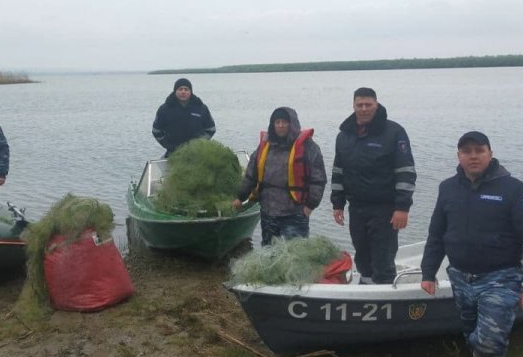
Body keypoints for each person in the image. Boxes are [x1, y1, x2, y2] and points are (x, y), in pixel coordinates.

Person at [420, 131, 523, 357]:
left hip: (501, 278)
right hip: (460, 277)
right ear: (459, 156)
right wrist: (428, 272)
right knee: (475, 340)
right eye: (467, 151)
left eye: (479, 150)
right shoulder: (447, 188)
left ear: (490, 153)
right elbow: (436, 234)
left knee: (489, 343)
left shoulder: (513, 189)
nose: (473, 156)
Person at [330, 87, 416, 284]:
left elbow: (406, 172)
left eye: (368, 104)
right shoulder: (344, 136)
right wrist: (337, 204)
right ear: (353, 106)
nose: (364, 108)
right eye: (359, 105)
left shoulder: (394, 132)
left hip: (385, 208)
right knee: (361, 253)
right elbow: (338, 172)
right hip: (357, 207)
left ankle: (385, 290)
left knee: (383, 257)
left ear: (376, 105)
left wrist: (402, 208)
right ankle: (366, 286)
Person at [234, 107, 326, 245]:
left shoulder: (309, 147)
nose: (281, 125)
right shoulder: (265, 146)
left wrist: (310, 206)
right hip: (268, 211)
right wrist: (240, 197)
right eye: (277, 122)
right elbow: (251, 174)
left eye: (284, 122)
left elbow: (318, 179)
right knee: (268, 253)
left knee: (294, 255)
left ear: (292, 124)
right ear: (272, 125)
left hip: (295, 213)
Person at [152, 78, 216, 157]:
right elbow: (156, 131)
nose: (183, 92)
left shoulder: (201, 108)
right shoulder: (164, 109)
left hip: (197, 153)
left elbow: (211, 129)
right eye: (180, 89)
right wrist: (169, 146)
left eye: (186, 89)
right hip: (173, 153)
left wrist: (199, 144)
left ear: (190, 91)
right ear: (175, 91)